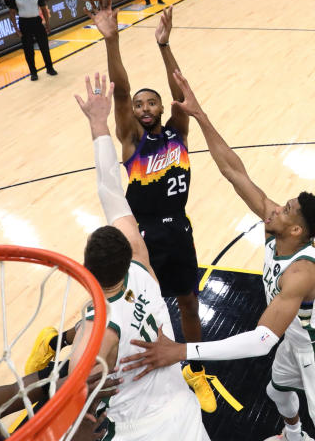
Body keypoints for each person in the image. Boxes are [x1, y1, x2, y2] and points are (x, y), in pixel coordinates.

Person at [119, 69, 315, 441]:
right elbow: (232, 170)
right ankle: (293, 435)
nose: (275, 209)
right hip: (293, 341)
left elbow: (262, 340)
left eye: (286, 210)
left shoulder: (302, 273)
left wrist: (182, 350)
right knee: (276, 392)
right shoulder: (276, 226)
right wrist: (199, 115)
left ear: (296, 230)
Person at [62, 73, 210, 441]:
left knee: (190, 301)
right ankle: (53, 343)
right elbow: (113, 191)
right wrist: (101, 123)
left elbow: (109, 188)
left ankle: (53, 347)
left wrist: (97, 123)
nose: (145, 108)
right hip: (181, 417)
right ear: (129, 256)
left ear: (86, 274)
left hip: (137, 425)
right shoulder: (143, 270)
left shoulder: (97, 326)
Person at [88, 2, 215, 412]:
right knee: (143, 306)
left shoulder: (178, 133)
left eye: (151, 104)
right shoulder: (130, 141)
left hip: (178, 229)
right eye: (140, 104)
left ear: (162, 109)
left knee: (189, 303)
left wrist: (164, 46)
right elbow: (121, 92)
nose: (143, 108)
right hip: (141, 238)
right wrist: (113, 40)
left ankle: (195, 369)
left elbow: (183, 94)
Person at [9, 0, 57, 81]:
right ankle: (33, 73)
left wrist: (47, 23)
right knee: (28, 50)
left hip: (36, 21)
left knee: (44, 46)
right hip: (24, 23)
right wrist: (16, 29)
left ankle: (49, 68)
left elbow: (44, 9)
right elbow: (12, 13)